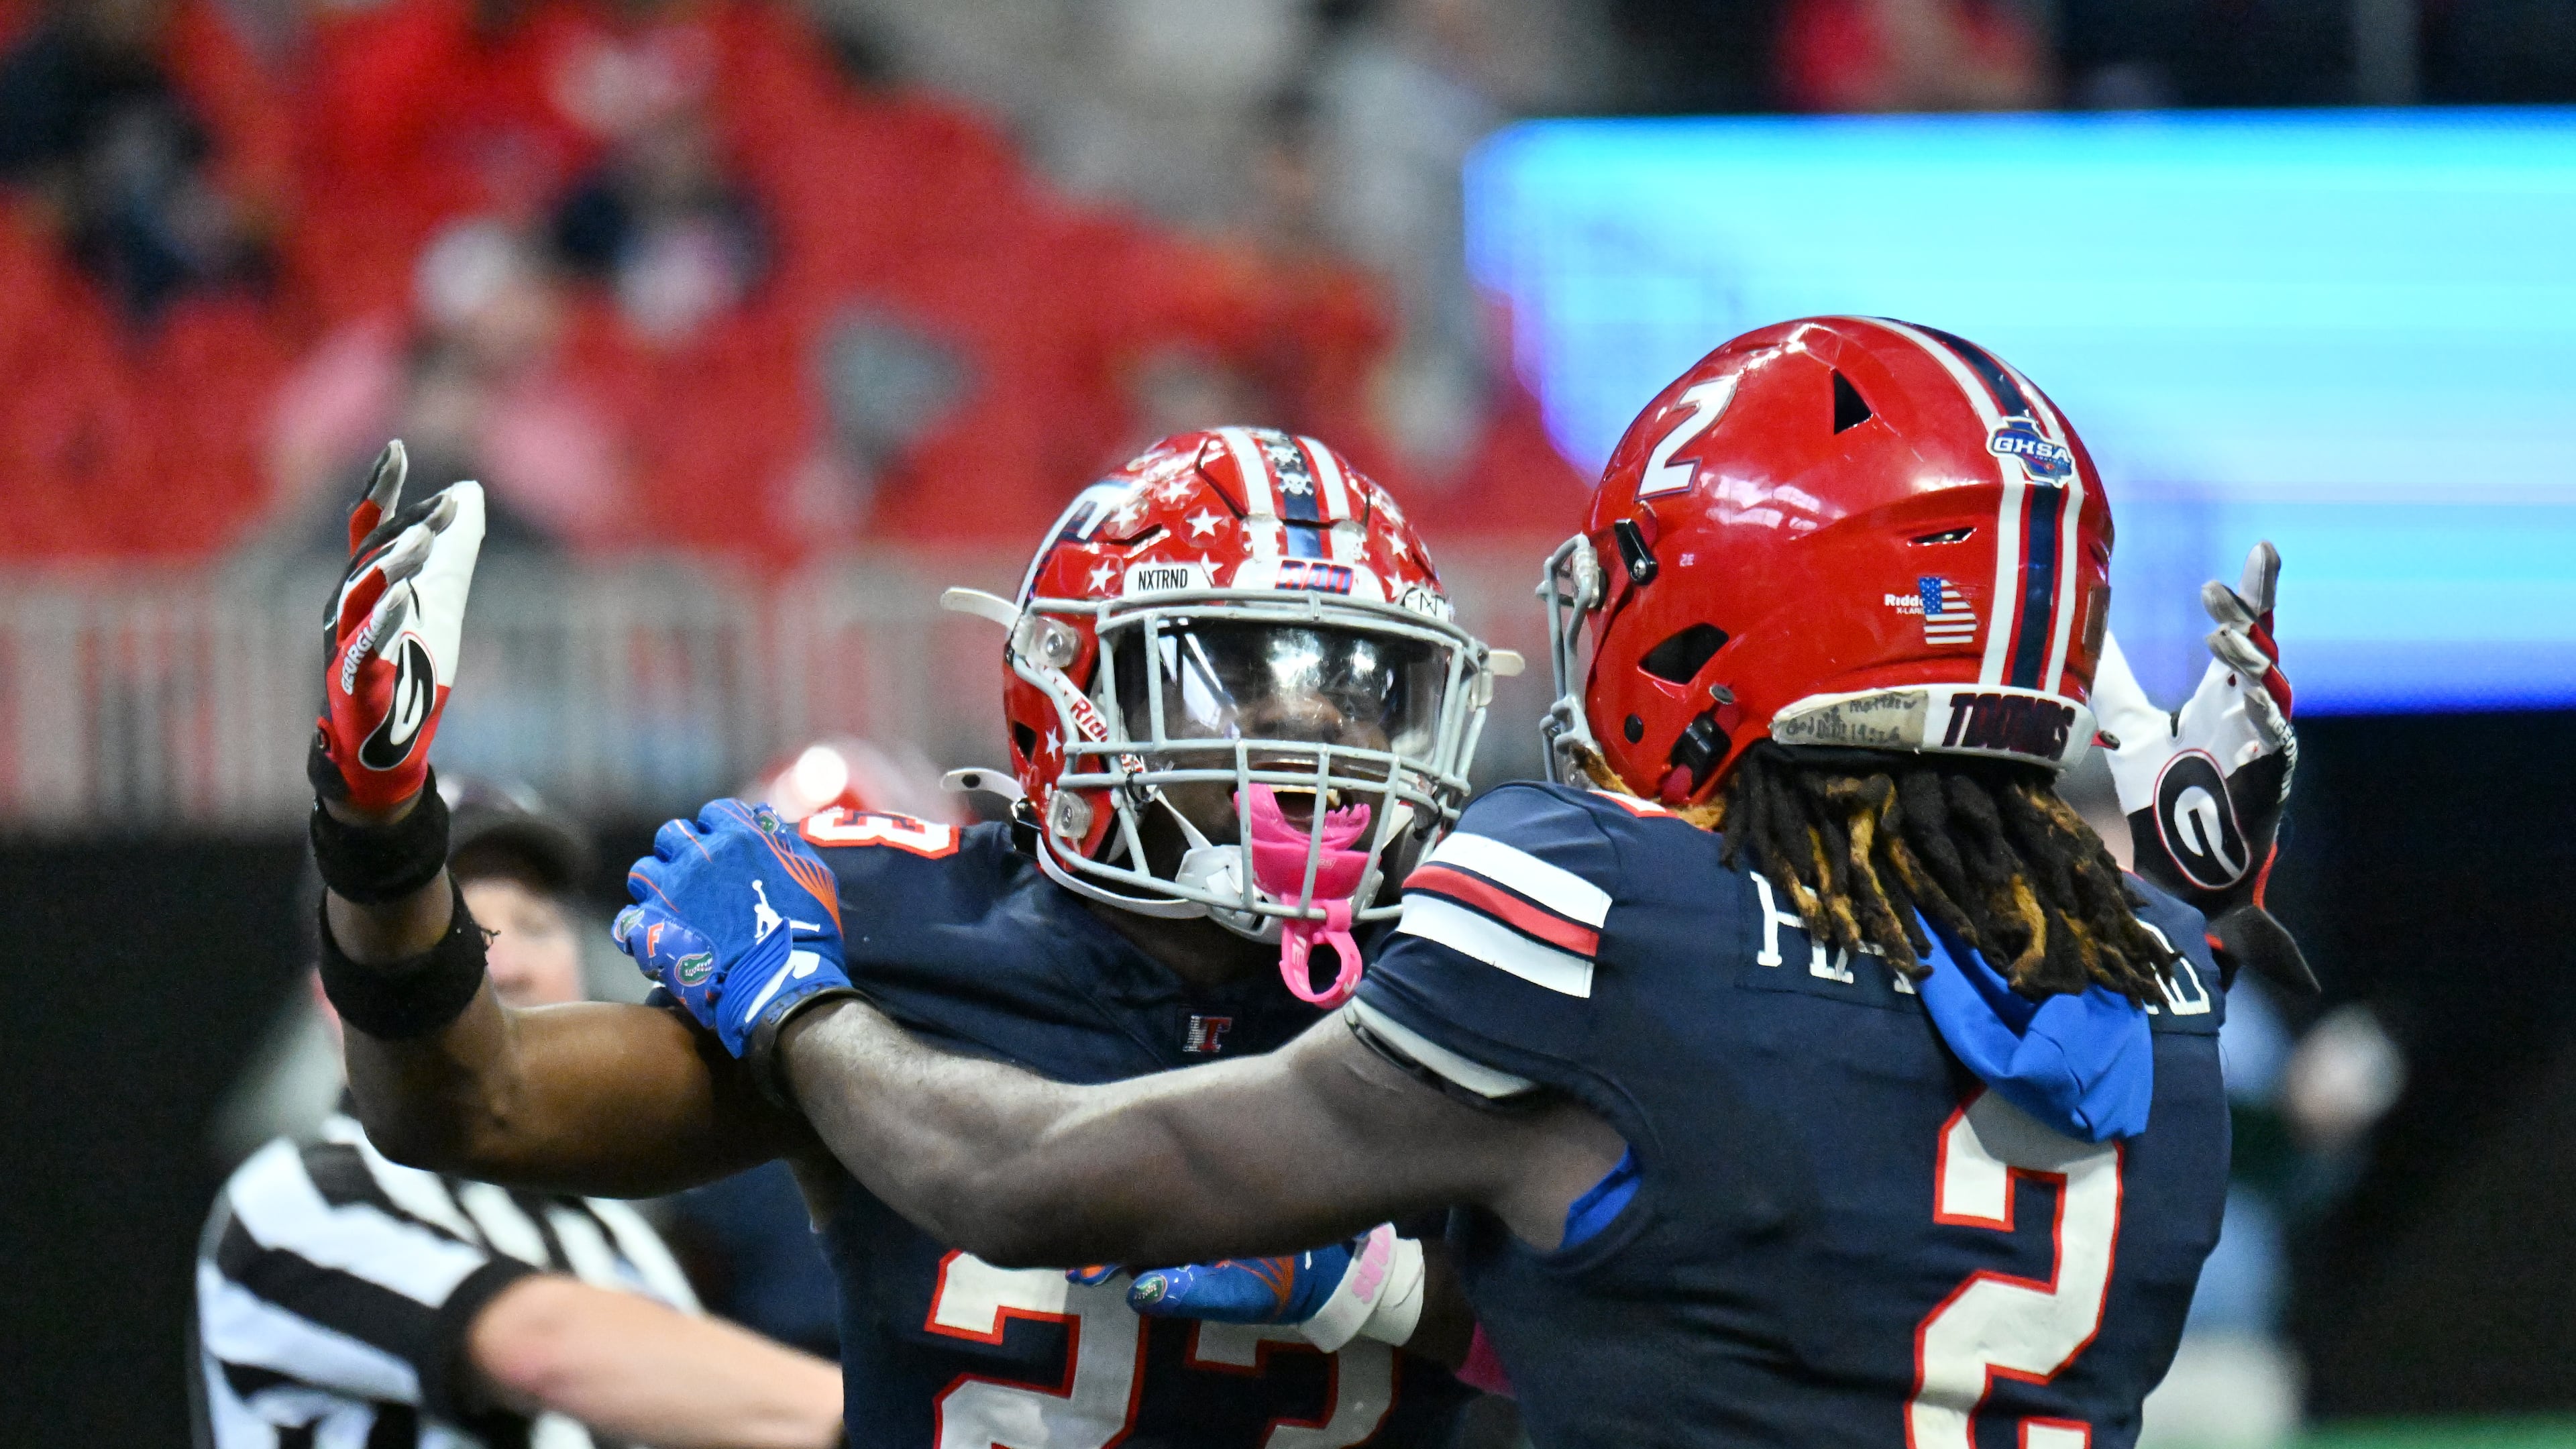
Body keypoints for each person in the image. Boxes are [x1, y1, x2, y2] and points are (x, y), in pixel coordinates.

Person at [613, 317, 2311, 1446]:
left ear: (1728, 612)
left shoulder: (1604, 910)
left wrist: (798, 1004)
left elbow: (1034, 1186)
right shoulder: (2152, 1010)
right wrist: (2183, 892)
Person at [299, 430, 1521, 1445]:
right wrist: (379, 829)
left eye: (1366, 697)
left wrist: (1395, 1284)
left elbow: (1669, 1319)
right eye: (1239, 691)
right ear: (1076, 700)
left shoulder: (1482, 970)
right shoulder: (898, 929)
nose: (1320, 761)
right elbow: (467, 1104)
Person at [193, 775, 844, 1449]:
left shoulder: (624, 1243)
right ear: (336, 1000)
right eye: (460, 937)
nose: (507, 968)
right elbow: (545, 1350)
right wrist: (892, 1423)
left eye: (535, 927)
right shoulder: (292, 1203)